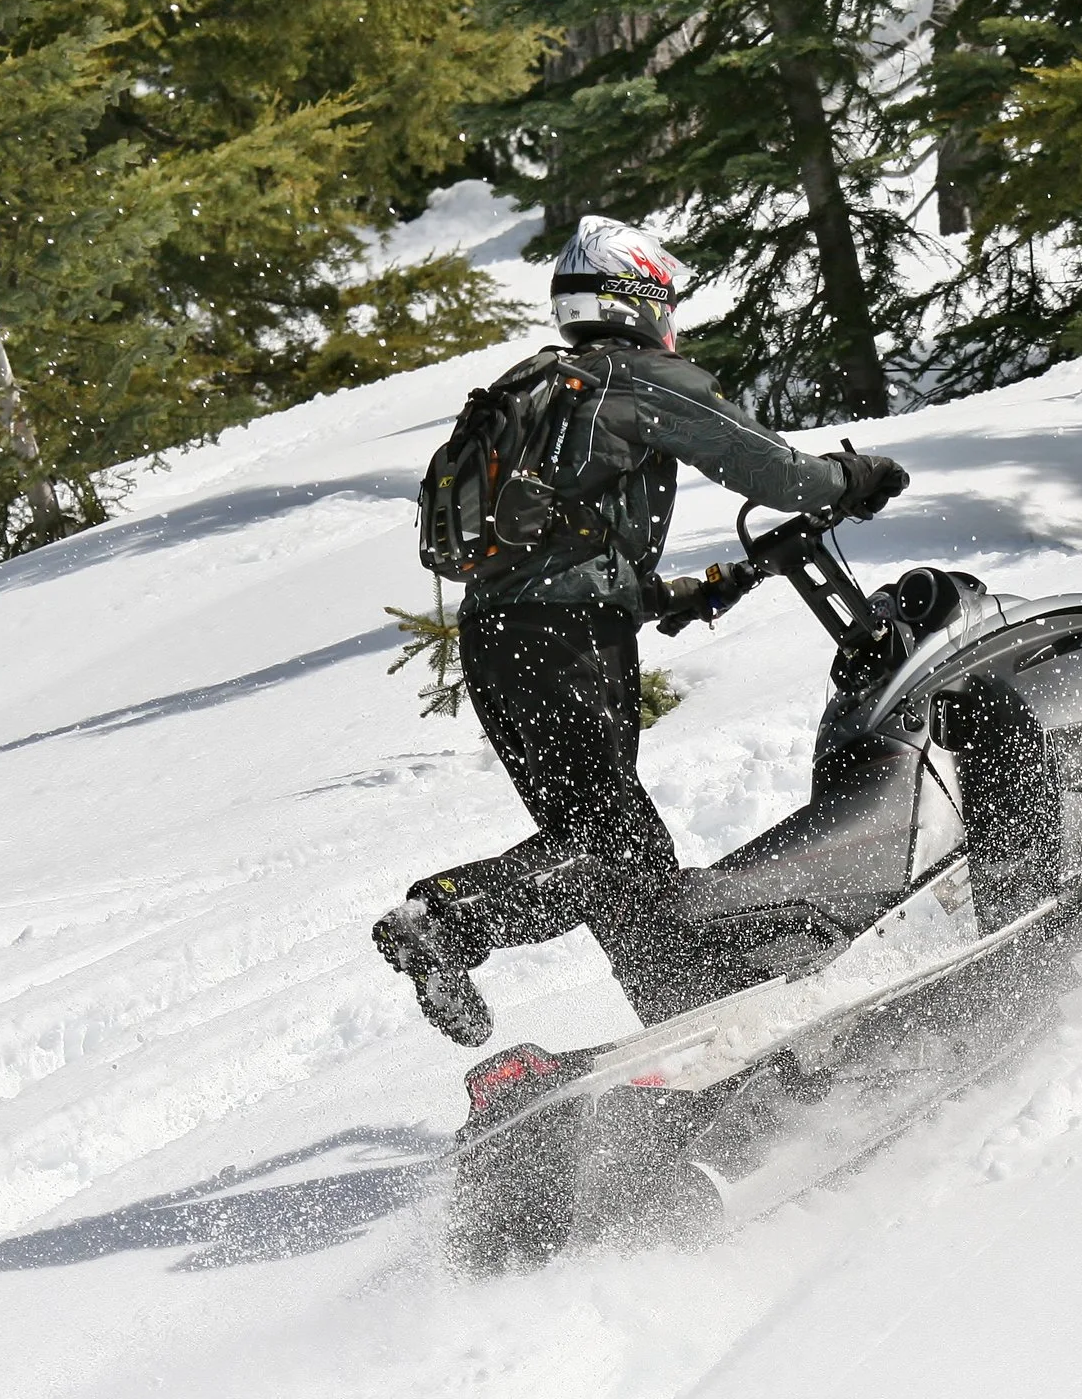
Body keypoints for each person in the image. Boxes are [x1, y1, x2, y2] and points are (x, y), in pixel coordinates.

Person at [374, 216, 908, 1045]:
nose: (672, 318)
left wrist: (675, 594)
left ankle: (688, 1031)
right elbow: (766, 466)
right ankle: (448, 918)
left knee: (617, 854)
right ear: (637, 299)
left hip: (497, 641)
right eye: (667, 300)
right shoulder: (634, 376)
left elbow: (558, 543)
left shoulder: (541, 387)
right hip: (564, 640)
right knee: (613, 843)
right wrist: (851, 476)